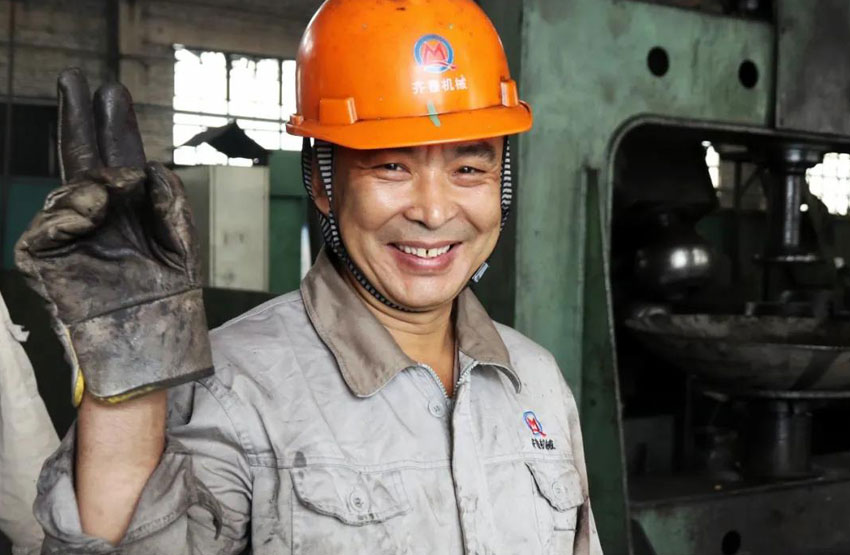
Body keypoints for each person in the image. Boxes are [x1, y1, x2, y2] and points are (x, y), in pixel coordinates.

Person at [16, 0, 602, 553]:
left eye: (469, 168)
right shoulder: (233, 391)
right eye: (391, 165)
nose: (433, 210)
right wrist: (129, 394)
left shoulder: (537, 382)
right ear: (322, 181)